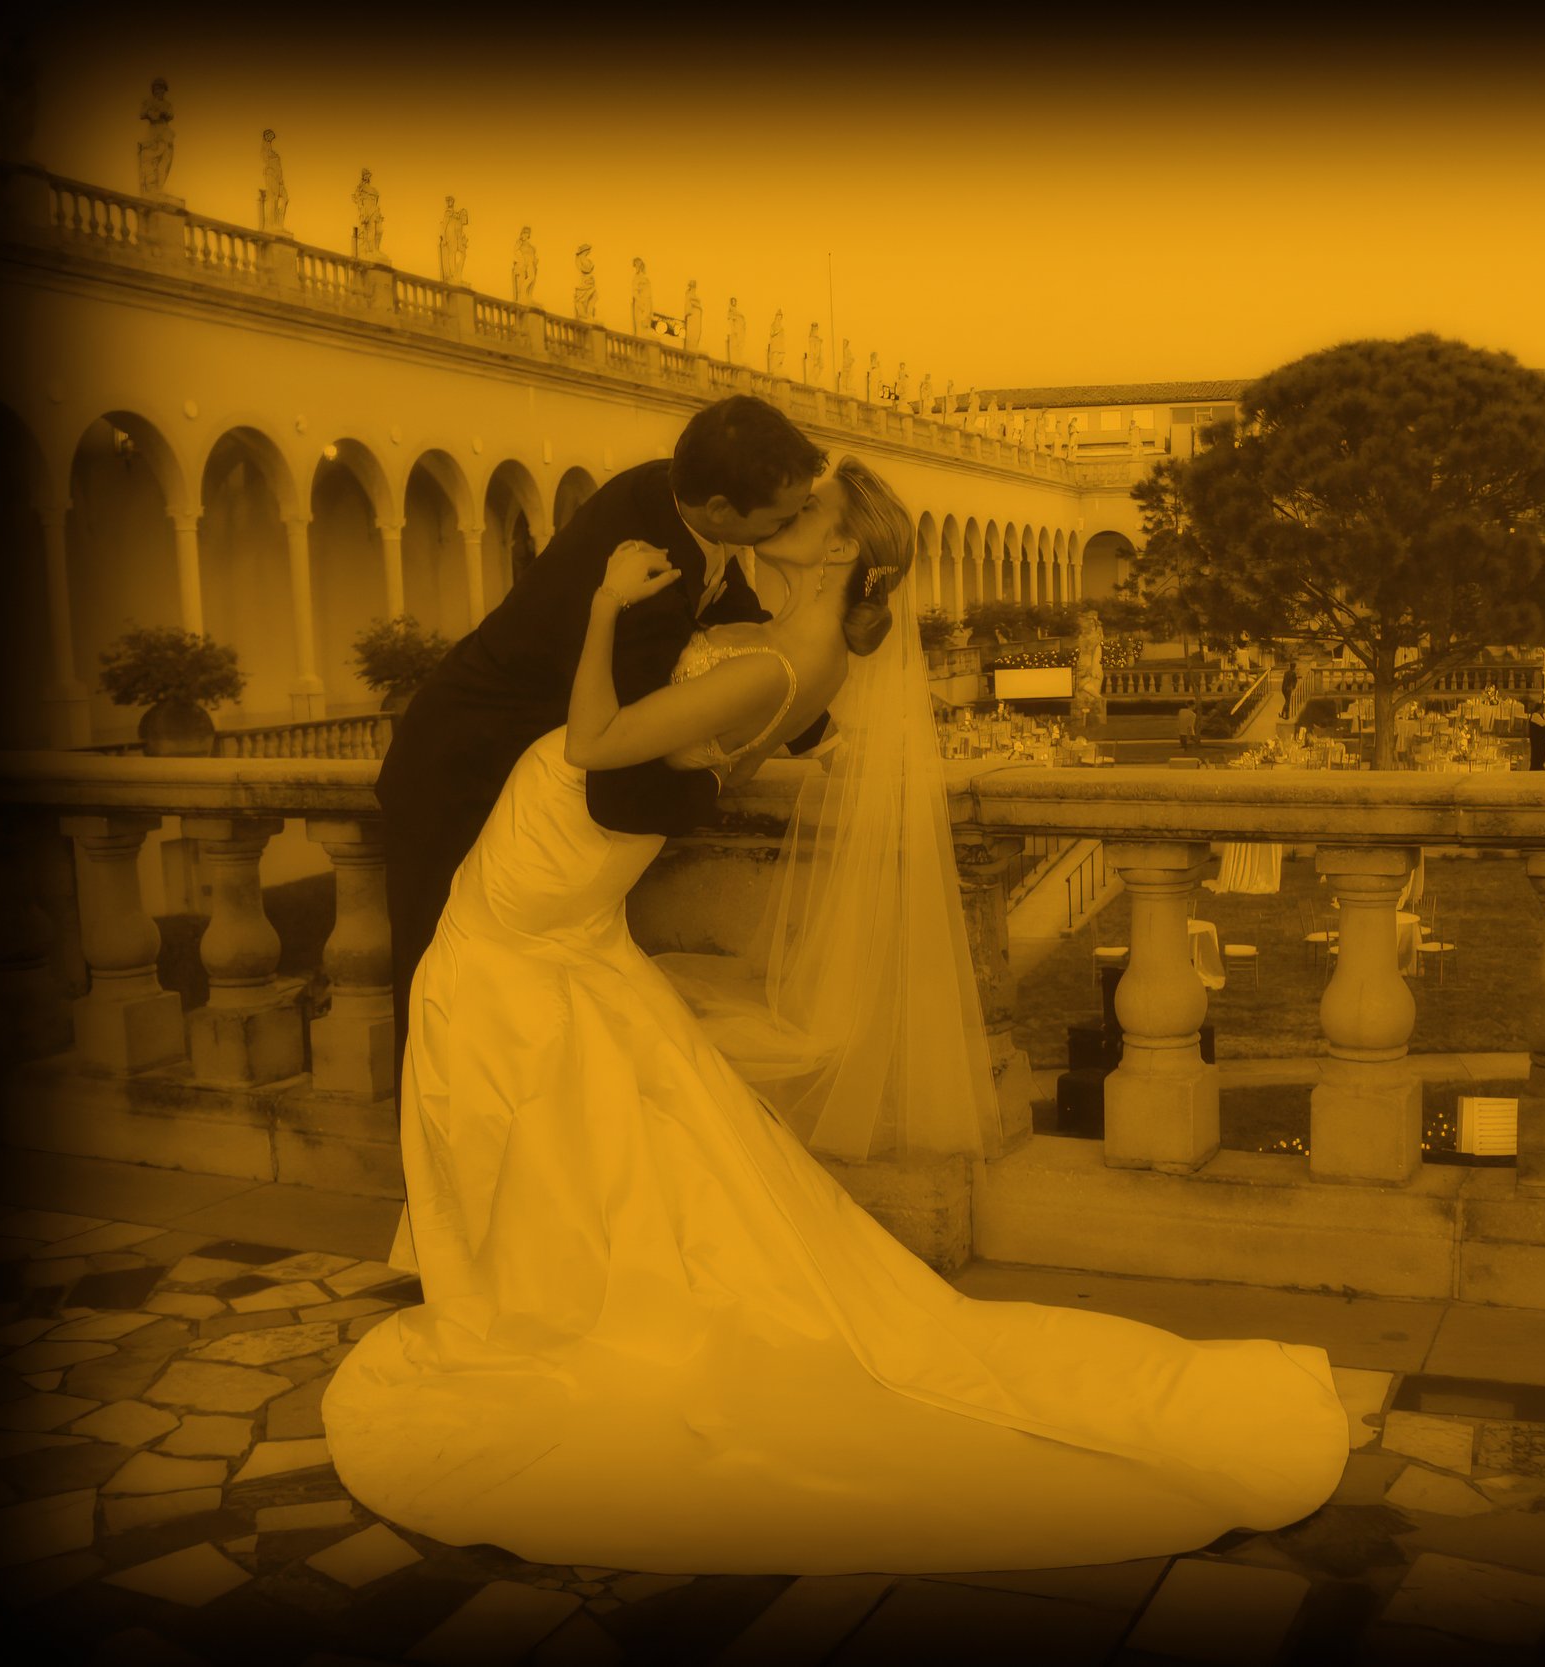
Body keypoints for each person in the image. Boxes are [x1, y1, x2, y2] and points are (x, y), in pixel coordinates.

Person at [325, 455, 1345, 1576]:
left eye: (804, 513)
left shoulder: (776, 656)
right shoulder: (790, 646)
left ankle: (550, 1307)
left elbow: (594, 744)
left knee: (499, 1024)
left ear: (838, 548)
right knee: (581, 1077)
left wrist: (605, 610)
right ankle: (542, 1282)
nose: (781, 516)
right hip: (571, 875)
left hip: (552, 863)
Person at [376, 397, 877, 1050]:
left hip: (522, 772)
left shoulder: (667, 493)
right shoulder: (638, 583)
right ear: (723, 511)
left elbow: (742, 631)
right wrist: (725, 775)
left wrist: (817, 732)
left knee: (498, 1007)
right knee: (438, 996)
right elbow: (624, 786)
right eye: (784, 513)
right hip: (458, 774)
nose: (794, 521)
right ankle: (432, 1146)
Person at [1526, 699, 1545, 772]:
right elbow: (1544, 723)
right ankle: (1536, 767)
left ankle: (1540, 765)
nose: (1544, 710)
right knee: (1537, 752)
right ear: (1540, 709)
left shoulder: (1541, 715)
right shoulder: (1535, 715)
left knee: (1541, 752)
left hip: (1540, 739)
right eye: (1543, 708)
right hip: (1536, 739)